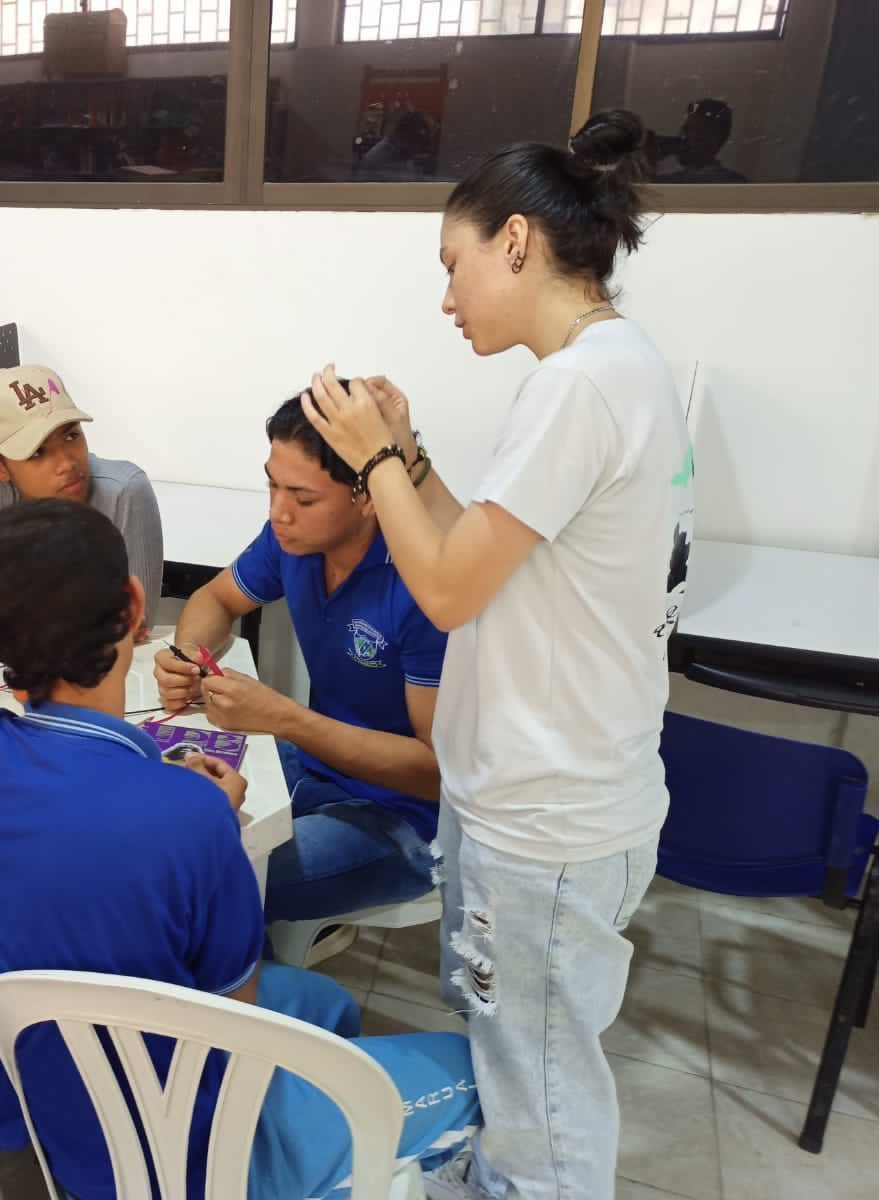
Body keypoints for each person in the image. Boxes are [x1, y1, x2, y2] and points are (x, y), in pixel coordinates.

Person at [299, 110, 695, 1200]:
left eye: (453, 264)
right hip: (536, 793)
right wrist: (410, 455)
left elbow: (441, 585)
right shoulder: (616, 368)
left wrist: (372, 456)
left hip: (547, 814)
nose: (446, 297)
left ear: (514, 240)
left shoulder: (581, 384)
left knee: (543, 1096)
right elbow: (484, 548)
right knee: (515, 1066)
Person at [0, 499, 480, 1200]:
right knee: (476, 1072)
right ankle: (298, 1168)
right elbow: (238, 1022)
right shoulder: (193, 816)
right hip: (196, 1162)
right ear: (136, 607)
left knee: (325, 1005)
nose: (283, 511)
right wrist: (205, 820)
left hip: (56, 1136)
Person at [154, 394, 445, 933]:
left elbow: (436, 775)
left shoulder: (424, 585)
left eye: (303, 498)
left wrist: (283, 718)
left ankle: (244, 1000)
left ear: (368, 497)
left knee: (211, 870)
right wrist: (187, 655)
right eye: (272, 485)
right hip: (314, 764)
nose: (278, 512)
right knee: (155, 797)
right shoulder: (292, 541)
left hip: (404, 821)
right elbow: (215, 600)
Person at [0, 364, 164, 645]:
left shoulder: (125, 493)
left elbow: (136, 621)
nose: (67, 463)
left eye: (71, 435)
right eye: (36, 452)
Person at [652, 98, 747, 184]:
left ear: (713, 136)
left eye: (690, 130)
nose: (682, 137)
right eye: (684, 130)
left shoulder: (735, 184)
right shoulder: (739, 184)